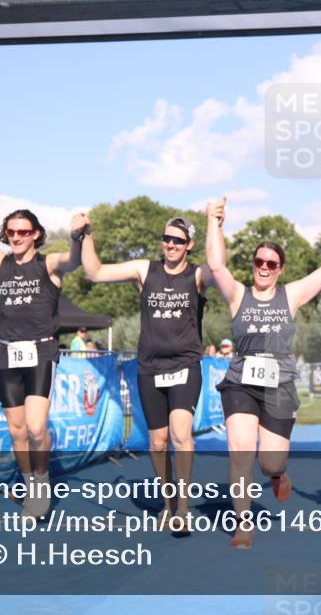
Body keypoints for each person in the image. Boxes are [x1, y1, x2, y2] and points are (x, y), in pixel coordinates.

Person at [205, 196, 321, 548]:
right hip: (241, 383)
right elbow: (215, 266)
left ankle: (278, 474)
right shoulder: (237, 296)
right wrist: (214, 221)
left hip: (279, 385)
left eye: (271, 263)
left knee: (270, 461)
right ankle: (243, 525)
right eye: (259, 261)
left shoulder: (291, 296)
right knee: (240, 452)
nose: (264, 266)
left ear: (280, 269)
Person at [0, 171, 88, 518]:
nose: (18, 237)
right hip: (9, 351)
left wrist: (76, 237)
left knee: (37, 427)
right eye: (12, 232)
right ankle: (29, 480)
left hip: (41, 350)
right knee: (16, 429)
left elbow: (73, 260)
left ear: (36, 234)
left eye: (24, 232)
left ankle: (42, 480)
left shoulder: (48, 264)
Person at [81, 214, 212, 528]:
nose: (170, 245)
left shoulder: (197, 275)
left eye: (178, 240)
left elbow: (220, 268)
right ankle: (168, 501)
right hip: (151, 368)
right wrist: (85, 234)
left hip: (185, 365)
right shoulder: (145, 270)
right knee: (157, 442)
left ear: (190, 245)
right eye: (167, 239)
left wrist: (216, 224)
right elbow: (95, 272)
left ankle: (182, 507)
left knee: (181, 433)